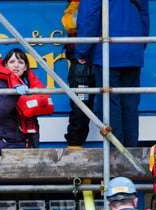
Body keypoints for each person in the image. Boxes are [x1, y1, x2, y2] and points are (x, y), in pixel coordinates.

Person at [75, 0, 149, 147]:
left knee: (110, 105)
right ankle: (130, 151)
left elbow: (90, 16)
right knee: (130, 106)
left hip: (108, 53)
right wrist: (139, 47)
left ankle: (115, 153)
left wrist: (82, 51)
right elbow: (144, 19)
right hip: (133, 51)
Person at [0, 47, 53, 155]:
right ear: (5, 66)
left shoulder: (29, 87)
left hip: (24, 146)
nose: (16, 65)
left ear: (25, 67)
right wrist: (14, 94)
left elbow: (33, 121)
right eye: (12, 62)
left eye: (20, 62)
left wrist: (34, 147)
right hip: (1, 145)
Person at [62, 0, 95, 148]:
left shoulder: (83, 5)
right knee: (81, 104)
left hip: (87, 59)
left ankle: (75, 145)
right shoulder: (77, 5)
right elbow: (71, 24)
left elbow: (72, 24)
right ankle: (74, 146)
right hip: (83, 63)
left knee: (84, 104)